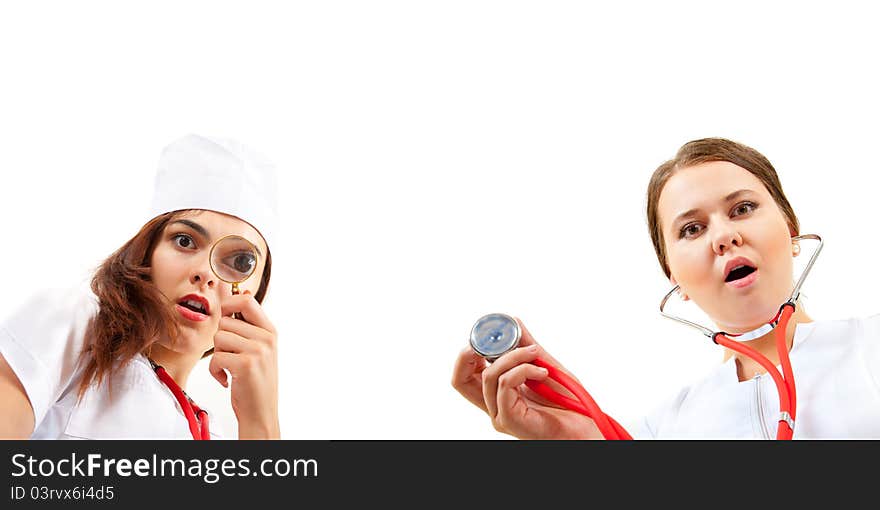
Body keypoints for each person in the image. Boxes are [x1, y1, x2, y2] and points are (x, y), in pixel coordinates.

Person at [451, 137, 880, 439]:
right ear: (675, 278)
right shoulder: (662, 430)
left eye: (743, 208)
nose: (724, 237)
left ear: (791, 231)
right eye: (692, 229)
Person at [0, 134, 281, 439]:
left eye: (240, 262)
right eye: (184, 241)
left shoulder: (213, 437)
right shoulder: (74, 327)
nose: (204, 272)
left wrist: (260, 421)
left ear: (256, 296)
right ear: (146, 252)